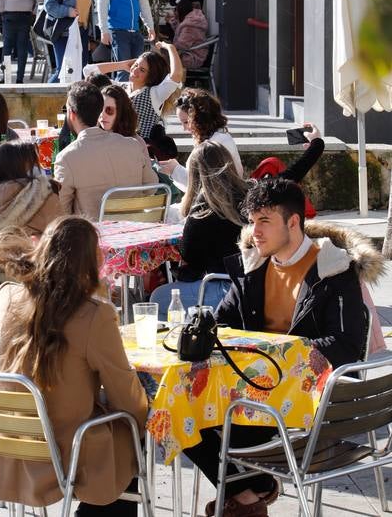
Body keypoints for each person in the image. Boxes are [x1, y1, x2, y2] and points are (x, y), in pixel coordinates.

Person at [186, 177, 383, 517]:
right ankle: (251, 493)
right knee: (175, 408)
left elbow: (348, 346)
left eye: (265, 221)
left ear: (293, 223)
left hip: (309, 402)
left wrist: (279, 355)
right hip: (253, 394)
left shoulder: (333, 270)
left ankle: (250, 492)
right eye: (252, 221)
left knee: (198, 414)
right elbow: (223, 324)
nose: (255, 230)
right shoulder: (254, 268)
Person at [0, 216, 148, 513]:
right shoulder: (94, 315)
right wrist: (144, 418)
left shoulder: (7, 296)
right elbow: (125, 394)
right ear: (90, 263)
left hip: (0, 444)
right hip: (64, 452)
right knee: (131, 434)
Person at [151, 127, 325, 319]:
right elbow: (293, 174)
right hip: (263, 284)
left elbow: (190, 259)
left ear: (195, 177)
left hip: (226, 288)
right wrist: (316, 144)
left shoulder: (201, 214)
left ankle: (184, 343)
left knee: (158, 297)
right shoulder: (255, 193)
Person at [54, 81, 156, 218]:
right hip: (134, 228)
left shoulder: (66, 158)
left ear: (72, 114)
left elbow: (61, 211)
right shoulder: (133, 145)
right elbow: (151, 187)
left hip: (95, 235)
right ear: (99, 112)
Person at [0, 140, 63, 246]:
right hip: (30, 260)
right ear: (28, 165)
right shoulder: (42, 194)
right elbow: (60, 234)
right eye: (35, 162)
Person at [86, 40, 184, 140]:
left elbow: (176, 75)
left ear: (151, 76)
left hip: (140, 149)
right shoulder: (121, 87)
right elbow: (88, 72)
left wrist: (170, 47)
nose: (135, 70)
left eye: (142, 70)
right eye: (136, 65)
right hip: (115, 145)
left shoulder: (155, 93)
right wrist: (123, 65)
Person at [160, 88, 243, 184]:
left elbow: (203, 185)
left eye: (186, 122)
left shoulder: (214, 144)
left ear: (199, 118)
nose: (184, 128)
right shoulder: (218, 136)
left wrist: (175, 170)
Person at [44, 0, 94, 82]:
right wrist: (67, 11)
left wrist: (89, 33)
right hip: (64, 32)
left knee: (80, 70)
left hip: (81, 32)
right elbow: (49, 5)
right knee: (64, 70)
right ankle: (45, 95)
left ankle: (72, 101)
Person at [171, 0, 208, 68]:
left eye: (176, 10)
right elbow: (179, 30)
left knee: (162, 59)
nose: (175, 12)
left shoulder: (190, 26)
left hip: (191, 57)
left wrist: (167, 46)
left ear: (181, 11)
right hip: (192, 53)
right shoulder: (193, 19)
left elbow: (182, 45)